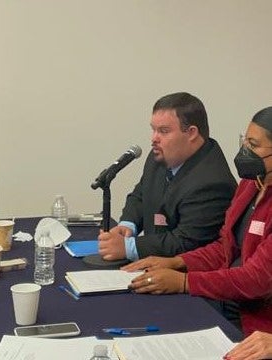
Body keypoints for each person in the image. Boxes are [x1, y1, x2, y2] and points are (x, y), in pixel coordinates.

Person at [123, 106, 272, 336]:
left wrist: (184, 282)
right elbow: (224, 248)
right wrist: (176, 262)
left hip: (259, 325)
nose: (244, 151)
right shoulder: (252, 184)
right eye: (245, 141)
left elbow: (256, 279)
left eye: (253, 145)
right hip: (226, 301)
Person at [99, 92, 237, 261]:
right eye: (153, 130)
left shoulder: (212, 183)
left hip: (185, 277)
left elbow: (188, 242)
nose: (154, 139)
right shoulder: (160, 156)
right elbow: (141, 195)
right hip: (154, 267)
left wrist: (130, 248)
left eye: (164, 131)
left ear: (192, 133)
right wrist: (128, 224)